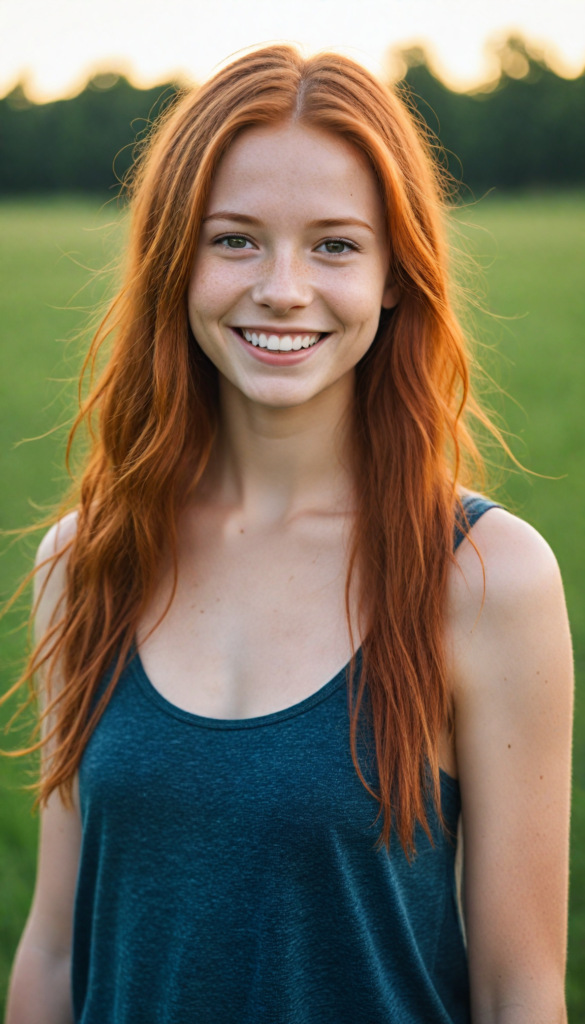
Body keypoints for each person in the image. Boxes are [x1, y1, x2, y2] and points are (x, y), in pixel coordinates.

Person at [4, 45, 573, 1024]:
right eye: (235, 239)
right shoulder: (87, 560)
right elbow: (56, 947)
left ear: (397, 275)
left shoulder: (485, 577)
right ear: (176, 257)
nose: (281, 288)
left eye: (335, 245)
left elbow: (516, 991)